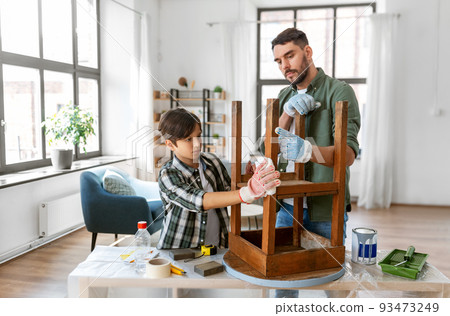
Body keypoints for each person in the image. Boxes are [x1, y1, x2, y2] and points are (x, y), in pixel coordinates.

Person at [269, 27, 360, 298]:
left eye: (290, 56)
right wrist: (285, 114)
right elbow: (268, 149)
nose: (285, 66)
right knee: (283, 285)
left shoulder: (339, 92)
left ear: (307, 52)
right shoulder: (285, 96)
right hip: (286, 207)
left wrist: (309, 152)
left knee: (331, 284)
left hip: (325, 209)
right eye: (279, 61)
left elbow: (349, 155)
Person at [156, 108, 280, 249]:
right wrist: (248, 192)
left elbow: (229, 192)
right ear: (170, 144)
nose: (197, 144)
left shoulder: (212, 161)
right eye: (188, 139)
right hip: (179, 251)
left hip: (216, 245)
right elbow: (198, 201)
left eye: (198, 136)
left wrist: (248, 181)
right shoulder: (168, 174)